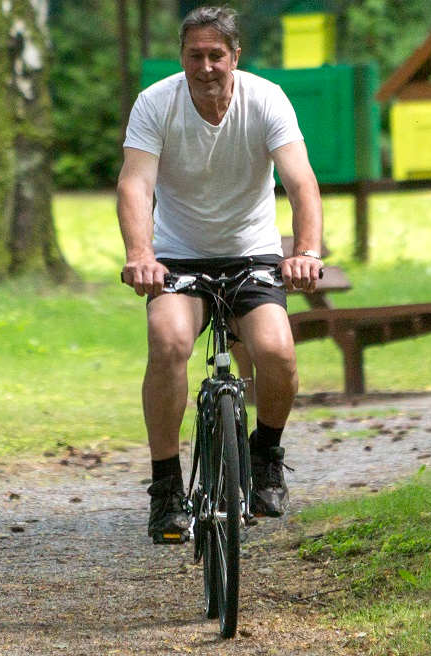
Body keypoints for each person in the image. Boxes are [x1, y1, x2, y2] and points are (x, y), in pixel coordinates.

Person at [115, 6, 325, 544]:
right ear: (181, 57)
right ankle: (165, 488)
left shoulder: (266, 99)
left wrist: (305, 250)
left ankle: (267, 454)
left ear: (235, 57)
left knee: (276, 352)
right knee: (167, 343)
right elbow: (135, 185)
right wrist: (141, 254)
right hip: (179, 256)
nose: (205, 67)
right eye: (194, 56)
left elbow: (301, 181)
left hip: (252, 254)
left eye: (216, 56)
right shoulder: (156, 103)